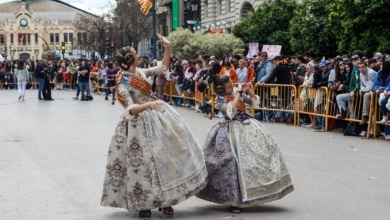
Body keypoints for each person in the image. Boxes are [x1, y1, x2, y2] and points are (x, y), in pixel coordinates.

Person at [100, 34, 207, 218]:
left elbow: (161, 68)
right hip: (138, 126)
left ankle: (167, 200)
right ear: (130, 59)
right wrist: (148, 105)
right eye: (135, 54)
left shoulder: (140, 72)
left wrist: (168, 47)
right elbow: (130, 109)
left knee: (166, 158)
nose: (138, 56)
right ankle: (144, 204)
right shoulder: (123, 82)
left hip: (157, 118)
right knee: (142, 165)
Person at [196, 75, 294, 213]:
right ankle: (233, 199)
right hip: (228, 131)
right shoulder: (219, 100)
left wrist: (248, 90)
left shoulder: (236, 92)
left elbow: (254, 102)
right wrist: (239, 93)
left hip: (247, 126)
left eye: (232, 84)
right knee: (230, 163)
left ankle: (256, 194)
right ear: (221, 89)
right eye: (229, 86)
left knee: (257, 158)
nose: (232, 87)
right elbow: (231, 111)